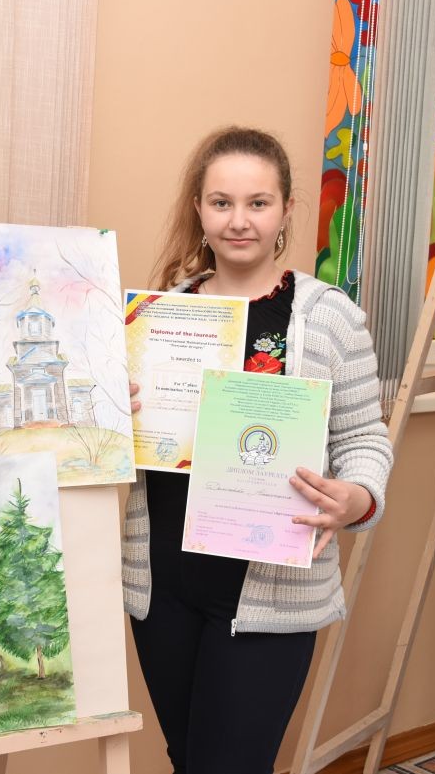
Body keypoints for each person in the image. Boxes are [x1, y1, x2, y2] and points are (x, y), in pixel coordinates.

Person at [123, 126, 394, 774]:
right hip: (163, 586)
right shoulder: (156, 317)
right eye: (221, 202)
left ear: (286, 210)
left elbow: (364, 437)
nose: (238, 220)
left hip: (271, 591)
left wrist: (356, 498)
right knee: (190, 758)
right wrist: (113, 411)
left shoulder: (328, 316)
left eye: (258, 203)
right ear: (198, 209)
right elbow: (120, 445)